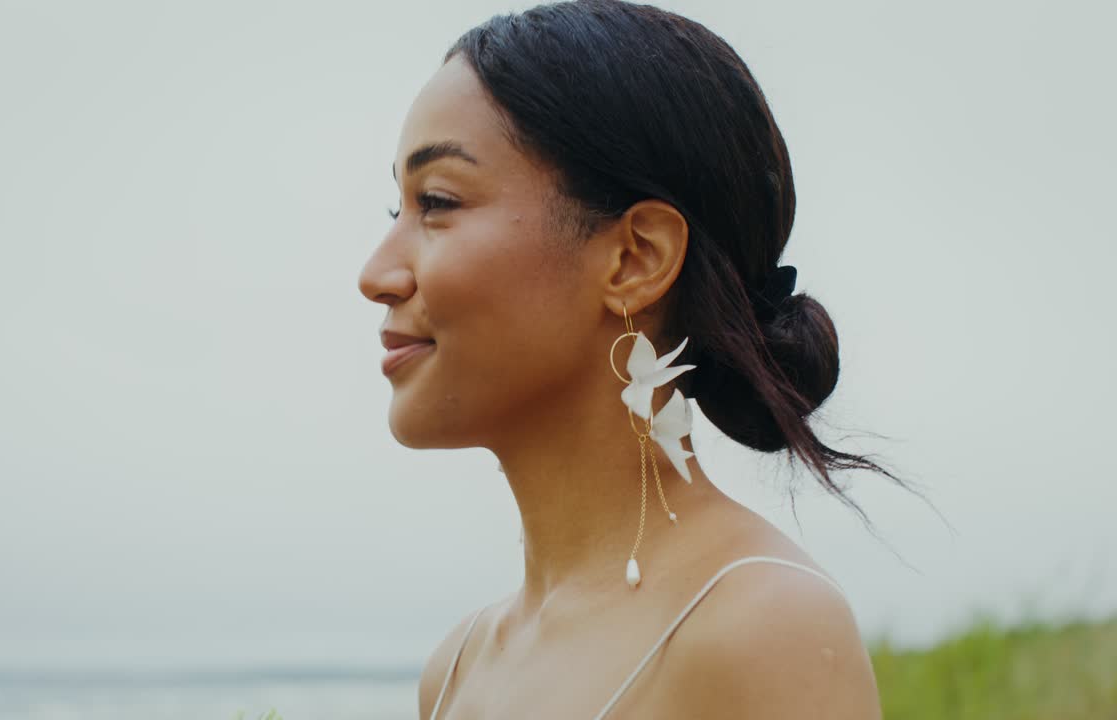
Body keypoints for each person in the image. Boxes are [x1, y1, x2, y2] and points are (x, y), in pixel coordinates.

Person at [358, 1, 926, 717]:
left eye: (437, 202)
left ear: (635, 258)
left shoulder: (760, 627)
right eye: (396, 211)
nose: (376, 273)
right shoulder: (457, 669)